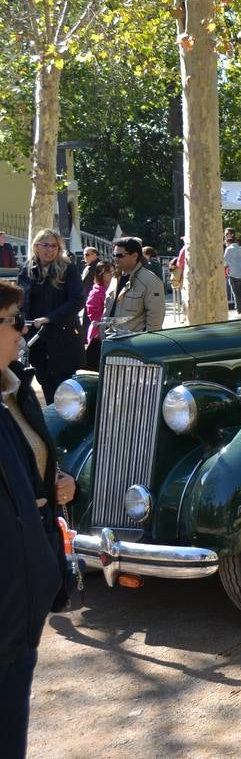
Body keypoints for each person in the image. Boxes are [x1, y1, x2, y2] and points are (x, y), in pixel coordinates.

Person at [0, 278, 74, 757]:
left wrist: (57, 482)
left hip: (27, 577)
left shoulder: (17, 389)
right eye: (12, 322)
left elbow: (32, 463)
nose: (21, 332)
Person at [17, 230, 85, 405]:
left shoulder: (68, 268)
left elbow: (77, 301)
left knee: (65, 391)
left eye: (54, 245)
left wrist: (50, 318)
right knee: (46, 388)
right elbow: (20, 302)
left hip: (63, 338)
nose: (50, 249)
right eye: (45, 245)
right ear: (36, 247)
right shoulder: (27, 269)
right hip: (37, 341)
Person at [107, 237, 165, 335]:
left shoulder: (150, 281)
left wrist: (146, 343)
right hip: (110, 340)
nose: (115, 258)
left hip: (134, 344)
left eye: (120, 255)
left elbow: (155, 319)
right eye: (114, 255)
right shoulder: (114, 278)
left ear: (134, 256)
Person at [83, 261, 113, 370]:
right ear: (101, 274)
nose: (112, 274)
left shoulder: (113, 288)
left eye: (113, 271)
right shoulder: (96, 292)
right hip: (98, 333)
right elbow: (92, 313)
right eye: (108, 272)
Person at [223, 230, 241, 317]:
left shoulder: (228, 249)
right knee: (240, 293)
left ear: (228, 243)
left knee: (236, 293)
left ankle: (240, 312)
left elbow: (224, 262)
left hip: (233, 274)